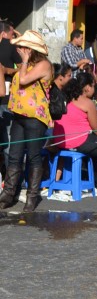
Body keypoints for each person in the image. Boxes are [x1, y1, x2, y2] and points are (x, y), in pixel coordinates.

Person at [0, 30, 53, 213]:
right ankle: (8, 194)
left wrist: (22, 62)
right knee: (14, 155)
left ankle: (32, 196)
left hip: (35, 119)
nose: (20, 49)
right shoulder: (26, 64)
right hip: (18, 116)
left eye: (23, 47)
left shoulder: (44, 64)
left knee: (33, 156)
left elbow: (23, 80)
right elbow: (14, 74)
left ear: (31, 49)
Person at [0, 19, 20, 176]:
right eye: (12, 33)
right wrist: (7, 70)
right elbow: (21, 70)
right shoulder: (11, 46)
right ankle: (9, 177)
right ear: (4, 33)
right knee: (7, 139)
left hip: (5, 97)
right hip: (6, 96)